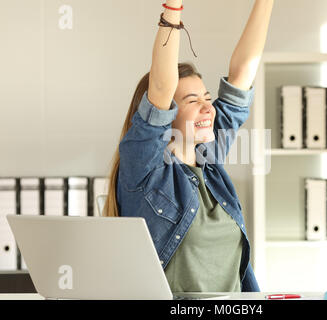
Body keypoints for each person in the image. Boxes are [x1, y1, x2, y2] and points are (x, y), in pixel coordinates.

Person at [103, 0, 274, 293]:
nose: (208, 108)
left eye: (207, 98)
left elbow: (243, 71)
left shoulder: (208, 156)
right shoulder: (144, 172)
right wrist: (173, 9)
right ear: (165, 116)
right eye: (193, 101)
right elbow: (160, 87)